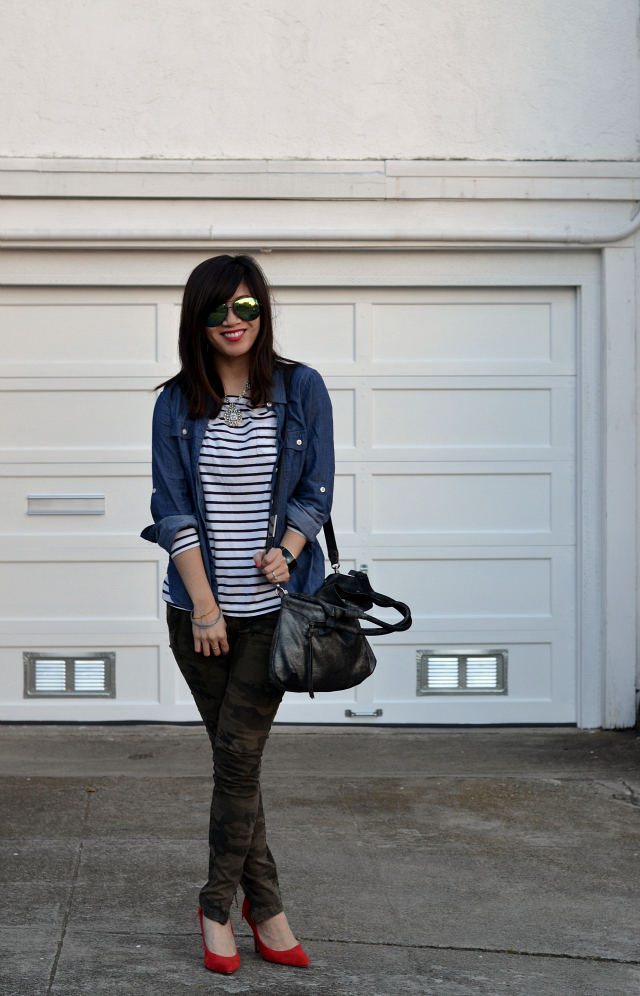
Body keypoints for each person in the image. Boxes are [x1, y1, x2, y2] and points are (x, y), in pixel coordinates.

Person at [141, 254, 334, 974]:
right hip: (197, 616)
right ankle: (268, 910)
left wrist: (288, 549)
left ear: (263, 312)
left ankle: (217, 907)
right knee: (236, 762)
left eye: (246, 307)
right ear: (198, 319)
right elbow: (172, 511)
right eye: (219, 309)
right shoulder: (174, 404)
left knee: (238, 758)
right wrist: (204, 607)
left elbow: (316, 490)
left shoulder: (300, 388)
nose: (233, 321)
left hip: (273, 615)